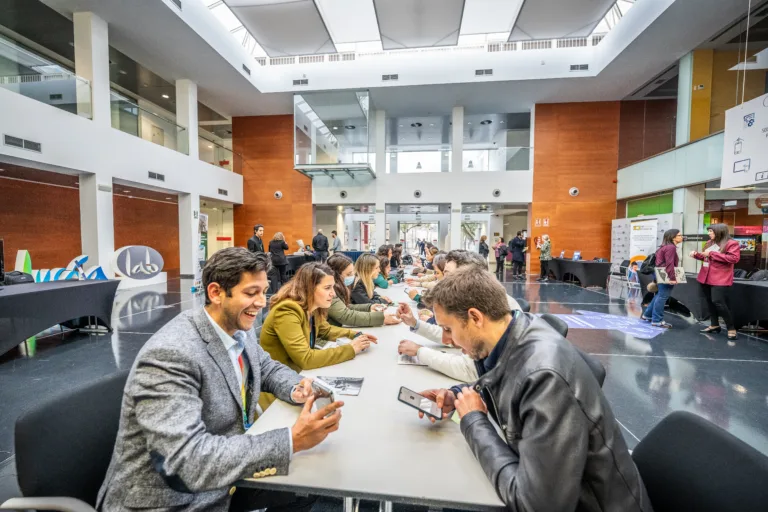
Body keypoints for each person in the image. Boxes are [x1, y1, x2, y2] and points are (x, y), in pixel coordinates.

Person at [97, 248, 342, 512]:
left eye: (263, 290)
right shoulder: (171, 354)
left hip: (223, 482)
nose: (262, 302)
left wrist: (296, 388)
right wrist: (291, 439)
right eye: (251, 293)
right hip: (176, 500)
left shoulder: (237, 327)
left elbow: (267, 368)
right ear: (215, 293)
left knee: (306, 492)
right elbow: (187, 462)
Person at [413, 268, 653, 511]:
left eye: (448, 329)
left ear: (475, 317)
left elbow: (536, 506)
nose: (446, 340)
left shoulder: (545, 377)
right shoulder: (514, 332)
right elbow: (501, 380)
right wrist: (458, 396)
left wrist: (474, 421)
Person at [691, 224, 741, 341]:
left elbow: (733, 259)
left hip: (720, 278)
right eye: (708, 231)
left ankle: (731, 328)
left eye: (711, 231)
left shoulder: (731, 243)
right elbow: (707, 258)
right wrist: (697, 255)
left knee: (718, 302)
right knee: (709, 301)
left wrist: (712, 254)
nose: (709, 233)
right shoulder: (709, 243)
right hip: (705, 277)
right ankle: (714, 325)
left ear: (719, 232)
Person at [326, 254, 400, 328]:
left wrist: (369, 307)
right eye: (349, 274)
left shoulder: (340, 287)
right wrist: (381, 318)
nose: (353, 276)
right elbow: (344, 315)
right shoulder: (334, 291)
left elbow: (345, 307)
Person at [641, 229, 683, 328]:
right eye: (679, 235)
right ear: (673, 237)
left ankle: (647, 315)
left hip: (659, 273)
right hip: (665, 274)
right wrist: (672, 278)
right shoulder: (671, 248)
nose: (682, 237)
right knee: (663, 296)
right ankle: (657, 320)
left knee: (660, 295)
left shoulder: (663, 247)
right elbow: (669, 264)